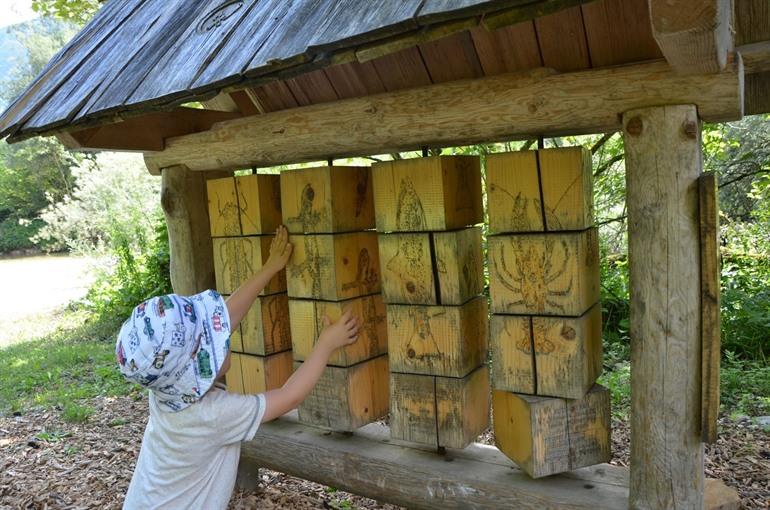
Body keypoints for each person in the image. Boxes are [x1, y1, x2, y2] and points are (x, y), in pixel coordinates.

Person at [116, 225, 360, 509]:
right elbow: (289, 396)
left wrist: (270, 268)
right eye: (215, 340)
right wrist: (326, 344)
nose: (224, 335)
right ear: (201, 368)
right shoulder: (213, 414)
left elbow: (224, 318)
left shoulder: (163, 387)